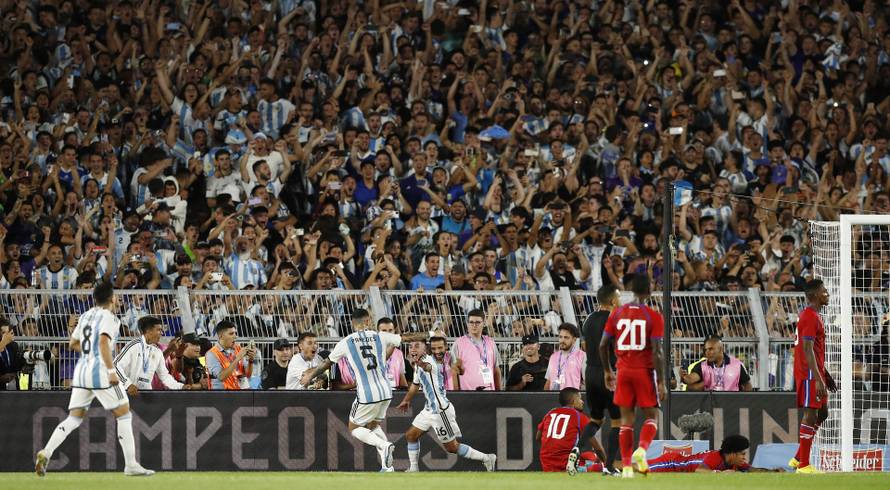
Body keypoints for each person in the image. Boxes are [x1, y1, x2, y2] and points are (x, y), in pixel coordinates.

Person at [34, 282, 154, 476]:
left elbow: (73, 343)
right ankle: (131, 465)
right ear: (112, 298)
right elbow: (104, 342)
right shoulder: (110, 318)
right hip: (101, 372)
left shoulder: (85, 315)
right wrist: (111, 370)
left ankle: (46, 452)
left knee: (74, 418)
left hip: (82, 372)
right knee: (124, 414)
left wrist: (91, 354)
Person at [300, 315, 430, 472]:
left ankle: (384, 445)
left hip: (367, 393)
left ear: (352, 323)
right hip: (386, 391)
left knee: (354, 428)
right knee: (373, 426)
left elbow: (327, 363)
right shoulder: (379, 335)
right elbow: (407, 337)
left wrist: (310, 376)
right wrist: (430, 334)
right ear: (368, 321)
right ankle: (387, 467)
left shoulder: (346, 342)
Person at [599, 275, 666, 478]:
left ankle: (627, 467)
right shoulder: (654, 316)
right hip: (644, 371)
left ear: (631, 289)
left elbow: (603, 345)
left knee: (626, 421)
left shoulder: (617, 313)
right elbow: (657, 352)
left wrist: (607, 371)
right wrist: (661, 381)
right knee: (652, 416)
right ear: (649, 291)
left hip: (623, 372)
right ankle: (642, 450)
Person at [397, 336, 497, 472]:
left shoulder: (429, 361)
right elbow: (415, 384)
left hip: (440, 410)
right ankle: (414, 469)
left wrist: (419, 364)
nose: (412, 349)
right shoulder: (417, 365)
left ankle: (486, 458)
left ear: (425, 349)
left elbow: (428, 367)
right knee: (411, 435)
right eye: (410, 346)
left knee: (452, 447)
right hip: (429, 410)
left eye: (417, 346)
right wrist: (406, 400)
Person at [789, 280, 837, 473]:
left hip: (815, 372)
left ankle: (798, 458)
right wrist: (817, 378)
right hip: (809, 373)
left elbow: (814, 350)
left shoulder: (813, 316)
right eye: (824, 291)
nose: (827, 294)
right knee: (810, 415)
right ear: (816, 295)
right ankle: (804, 465)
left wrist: (825, 374)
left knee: (823, 413)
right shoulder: (809, 316)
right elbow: (807, 349)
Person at [579, 283, 622, 473]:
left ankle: (576, 449)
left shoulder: (589, 319)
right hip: (609, 373)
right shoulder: (616, 320)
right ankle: (610, 466)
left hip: (590, 373)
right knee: (617, 422)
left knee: (596, 419)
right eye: (618, 296)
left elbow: (584, 346)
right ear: (612, 300)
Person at [537, 387, 607, 474]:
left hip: (546, 464)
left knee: (588, 455)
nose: (582, 402)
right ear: (573, 401)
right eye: (580, 399)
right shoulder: (579, 416)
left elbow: (538, 438)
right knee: (597, 463)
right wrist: (606, 464)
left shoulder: (550, 413)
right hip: (566, 464)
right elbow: (598, 448)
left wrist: (552, 450)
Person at [114, 316, 185, 394]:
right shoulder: (134, 345)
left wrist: (181, 387)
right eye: (159, 330)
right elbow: (116, 365)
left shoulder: (157, 351)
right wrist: (128, 384)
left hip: (146, 395)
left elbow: (165, 377)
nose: (162, 333)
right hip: (127, 393)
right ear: (149, 331)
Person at [645, 435, 755, 473]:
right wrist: (721, 474)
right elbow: (700, 470)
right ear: (732, 454)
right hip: (670, 464)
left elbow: (753, 470)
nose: (744, 458)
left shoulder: (736, 462)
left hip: (676, 466)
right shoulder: (714, 457)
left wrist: (768, 471)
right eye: (742, 454)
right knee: (640, 469)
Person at [680, 336, 753, 392]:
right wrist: (684, 377)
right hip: (709, 404)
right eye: (706, 350)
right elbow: (690, 379)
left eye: (711, 349)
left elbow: (747, 385)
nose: (707, 352)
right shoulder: (702, 366)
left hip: (731, 404)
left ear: (721, 349)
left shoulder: (736, 365)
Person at [452, 309, 501, 391]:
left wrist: (499, 393)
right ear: (467, 324)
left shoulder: (491, 343)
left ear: (484, 323)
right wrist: (456, 394)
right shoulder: (459, 343)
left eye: (477, 322)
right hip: (467, 392)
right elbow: (453, 370)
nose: (474, 325)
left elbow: (496, 370)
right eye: (471, 322)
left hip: (489, 392)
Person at [205, 320, 257, 390]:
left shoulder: (238, 349)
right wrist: (237, 358)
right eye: (231, 333)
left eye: (235, 333)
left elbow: (248, 375)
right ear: (221, 336)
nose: (235, 336)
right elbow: (221, 377)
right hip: (223, 394)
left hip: (241, 392)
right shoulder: (211, 354)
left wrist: (251, 360)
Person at [544, 323, 585, 390]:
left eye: (566, 337)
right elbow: (549, 380)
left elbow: (587, 381)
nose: (562, 340)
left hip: (572, 396)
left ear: (574, 340)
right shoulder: (553, 356)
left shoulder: (582, 356)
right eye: (560, 337)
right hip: (553, 396)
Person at [378, 318, 408, 389]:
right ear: (378, 332)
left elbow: (401, 375)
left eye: (390, 330)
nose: (388, 334)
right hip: (379, 391)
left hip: (394, 392)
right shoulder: (373, 350)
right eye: (384, 331)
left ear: (394, 331)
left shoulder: (399, 353)